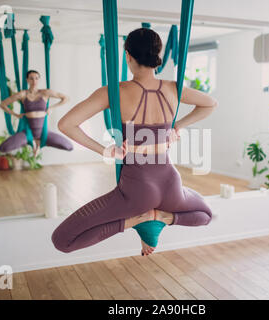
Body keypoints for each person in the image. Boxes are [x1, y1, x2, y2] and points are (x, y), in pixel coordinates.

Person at [51, 28, 218, 256]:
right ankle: (162, 217)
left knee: (62, 240)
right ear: (157, 54)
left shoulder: (114, 92)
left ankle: (137, 220)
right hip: (171, 184)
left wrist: (105, 151)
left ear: (128, 56)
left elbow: (66, 124)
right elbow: (210, 104)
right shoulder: (173, 88)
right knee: (207, 215)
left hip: (137, 190)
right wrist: (178, 125)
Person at [0, 70, 73, 157]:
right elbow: (2, 104)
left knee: (69, 146)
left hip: (43, 132)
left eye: (36, 78)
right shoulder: (23, 94)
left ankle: (39, 143)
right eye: (31, 79)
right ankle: (32, 142)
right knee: (3, 147)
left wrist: (51, 107)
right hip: (28, 132)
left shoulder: (45, 92)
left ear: (39, 79)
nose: (34, 81)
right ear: (27, 80)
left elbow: (66, 98)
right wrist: (16, 115)